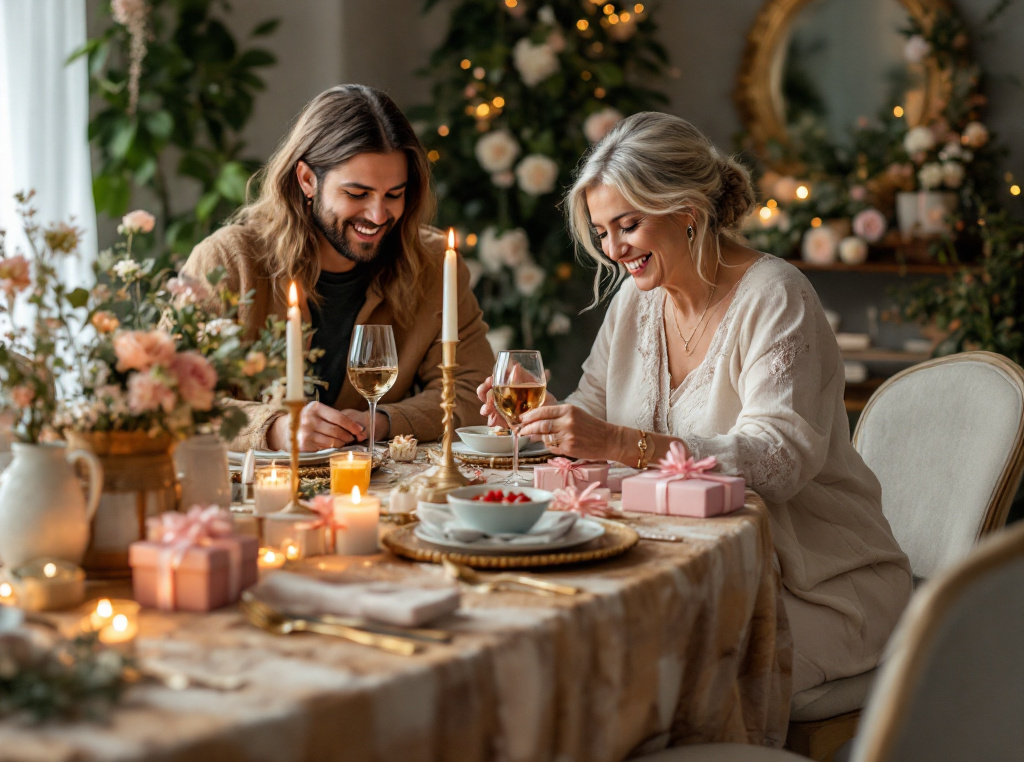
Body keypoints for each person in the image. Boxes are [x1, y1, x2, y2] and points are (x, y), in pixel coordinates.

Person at [478, 112, 912, 693]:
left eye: (626, 225)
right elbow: (591, 408)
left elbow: (777, 461)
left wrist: (617, 444)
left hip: (811, 583)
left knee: (648, 665)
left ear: (685, 210)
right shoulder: (635, 303)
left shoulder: (776, 297)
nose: (614, 249)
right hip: (687, 568)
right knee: (568, 636)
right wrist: (540, 422)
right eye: (603, 232)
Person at [182, 85, 495, 452]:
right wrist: (275, 430)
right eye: (357, 194)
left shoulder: (434, 263)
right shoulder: (228, 262)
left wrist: (381, 420)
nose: (379, 216)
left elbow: (474, 392)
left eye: (394, 194)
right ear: (307, 180)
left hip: (378, 492)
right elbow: (168, 397)